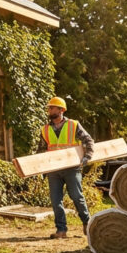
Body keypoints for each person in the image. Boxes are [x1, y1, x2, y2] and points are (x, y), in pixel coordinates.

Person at [39, 96, 94, 238]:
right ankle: (61, 230)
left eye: (52, 107)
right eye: (49, 108)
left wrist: (87, 156)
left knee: (77, 197)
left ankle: (88, 223)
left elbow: (88, 140)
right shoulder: (45, 129)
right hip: (53, 170)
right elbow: (41, 151)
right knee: (56, 201)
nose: (49, 110)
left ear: (61, 110)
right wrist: (41, 168)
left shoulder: (73, 125)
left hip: (72, 168)